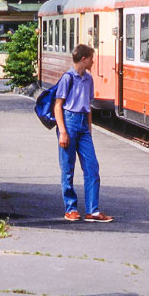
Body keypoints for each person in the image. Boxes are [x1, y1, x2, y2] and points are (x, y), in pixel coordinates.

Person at [53, 44, 113, 223]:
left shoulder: (89, 79)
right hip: (69, 123)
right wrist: (63, 131)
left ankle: (92, 211)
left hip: (83, 125)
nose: (94, 61)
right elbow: (58, 105)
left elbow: (88, 106)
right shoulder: (67, 78)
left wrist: (89, 129)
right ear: (84, 59)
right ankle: (70, 208)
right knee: (68, 169)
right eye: (92, 58)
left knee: (92, 167)